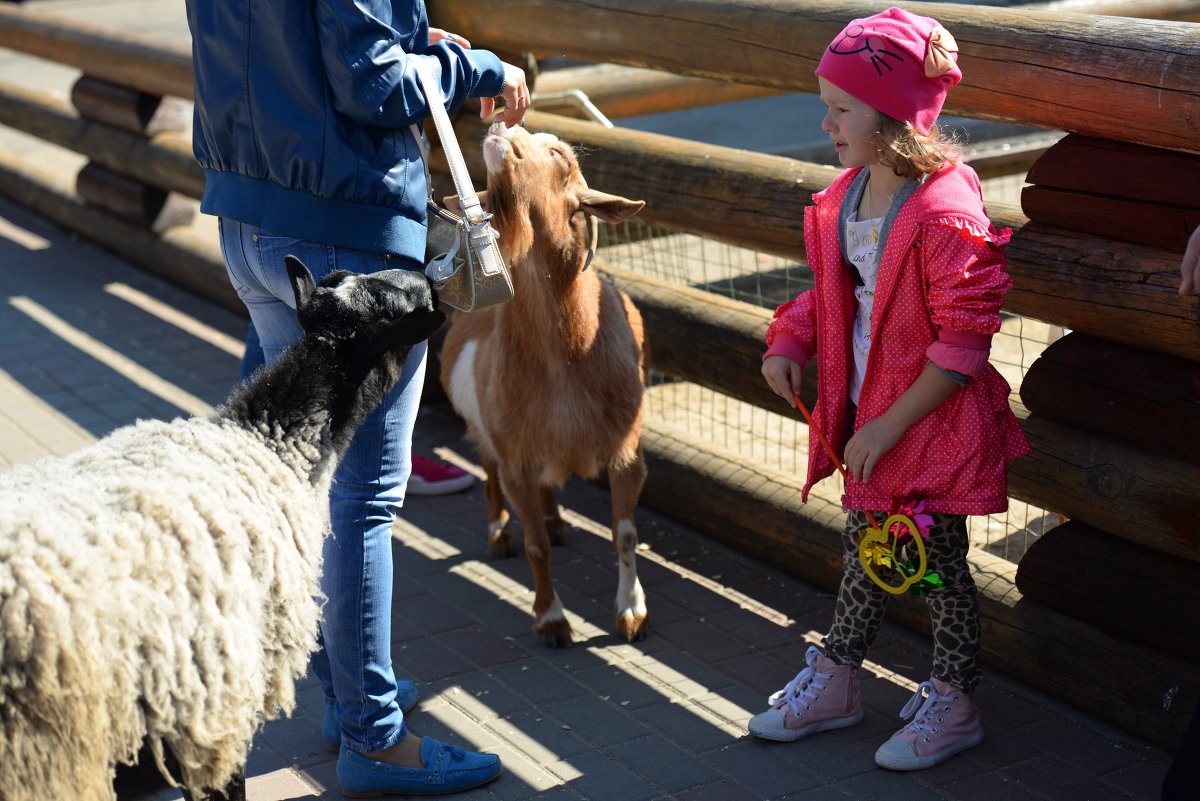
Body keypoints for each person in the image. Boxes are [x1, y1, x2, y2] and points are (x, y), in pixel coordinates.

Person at [184, 2, 528, 795]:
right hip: (345, 227)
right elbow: (370, 86)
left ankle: (347, 696)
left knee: (318, 486)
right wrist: (481, 69)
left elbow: (293, 51)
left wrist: (412, 45)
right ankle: (374, 738)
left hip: (251, 219)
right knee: (363, 497)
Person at [750, 7, 1029, 772]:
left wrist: (885, 427)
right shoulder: (851, 195)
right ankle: (843, 676)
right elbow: (839, 293)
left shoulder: (944, 212)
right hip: (875, 412)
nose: (825, 121)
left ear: (896, 117)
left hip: (928, 423)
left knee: (935, 564)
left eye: (841, 108)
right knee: (872, 549)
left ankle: (953, 696)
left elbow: (964, 341)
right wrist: (791, 338)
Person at [239, 322, 475, 495]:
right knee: (367, 490)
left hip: (248, 257)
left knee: (267, 320)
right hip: (350, 255)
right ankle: (375, 463)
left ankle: (254, 464)